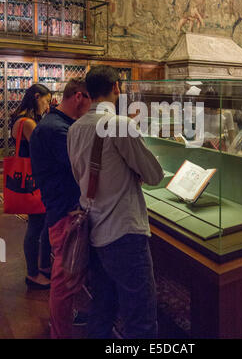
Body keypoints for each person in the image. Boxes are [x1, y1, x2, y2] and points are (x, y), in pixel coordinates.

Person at [67, 65, 164, 339]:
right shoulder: (122, 125)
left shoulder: (74, 129)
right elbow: (154, 175)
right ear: (117, 88)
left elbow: (80, 176)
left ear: (88, 91)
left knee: (102, 307)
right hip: (124, 231)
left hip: (94, 230)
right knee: (140, 316)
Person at [29, 78, 91, 339]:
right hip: (66, 212)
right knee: (65, 280)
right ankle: (61, 332)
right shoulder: (57, 130)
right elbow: (80, 169)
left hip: (62, 209)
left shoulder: (56, 124)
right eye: (91, 101)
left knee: (68, 275)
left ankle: (64, 323)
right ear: (78, 97)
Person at [11, 84, 52, 289]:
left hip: (29, 178)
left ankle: (41, 266)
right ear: (36, 97)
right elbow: (42, 149)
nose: (47, 106)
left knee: (39, 224)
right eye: (45, 101)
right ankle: (34, 273)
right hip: (33, 179)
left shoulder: (20, 118)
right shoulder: (28, 123)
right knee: (36, 225)